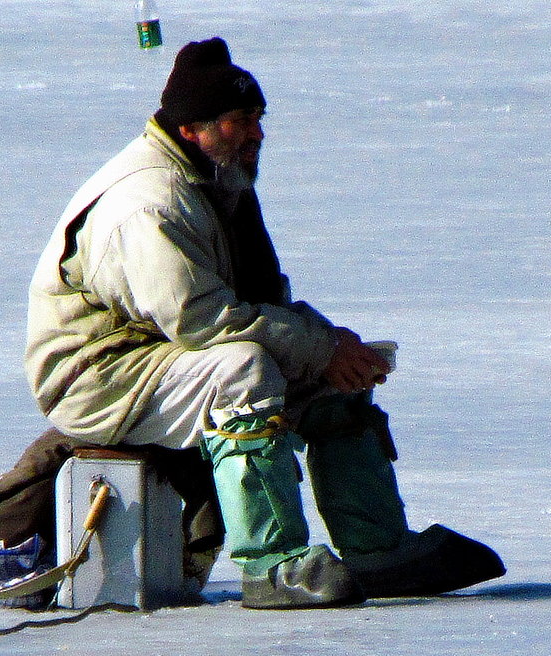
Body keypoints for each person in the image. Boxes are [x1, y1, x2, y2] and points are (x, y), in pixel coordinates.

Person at [25, 37, 505, 609]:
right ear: (191, 129)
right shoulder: (149, 204)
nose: (255, 133)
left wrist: (332, 349)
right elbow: (202, 322)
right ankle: (272, 564)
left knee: (334, 376)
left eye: (257, 117)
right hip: (98, 373)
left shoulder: (220, 180)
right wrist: (317, 345)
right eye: (237, 120)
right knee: (243, 370)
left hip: (162, 351)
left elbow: (262, 299)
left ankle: (380, 552)